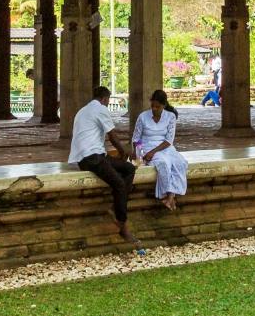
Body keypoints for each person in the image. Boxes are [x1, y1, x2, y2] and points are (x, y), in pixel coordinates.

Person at [70, 84, 136, 240]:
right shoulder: (100, 109)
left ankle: (118, 205)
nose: (107, 104)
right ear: (105, 99)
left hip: (89, 157)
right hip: (93, 158)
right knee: (119, 183)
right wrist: (123, 152)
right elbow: (112, 136)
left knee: (128, 169)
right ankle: (122, 224)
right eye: (108, 101)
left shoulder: (82, 110)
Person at [131, 88, 188, 209]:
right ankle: (168, 196)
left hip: (165, 147)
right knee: (163, 163)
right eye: (153, 106)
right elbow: (136, 139)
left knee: (180, 163)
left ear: (164, 105)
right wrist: (140, 155)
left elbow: (169, 140)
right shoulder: (143, 117)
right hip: (147, 146)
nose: (154, 109)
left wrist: (153, 152)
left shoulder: (171, 116)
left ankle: (170, 197)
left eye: (158, 107)